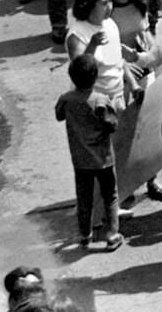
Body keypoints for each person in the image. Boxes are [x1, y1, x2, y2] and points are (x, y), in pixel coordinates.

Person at [56, 54, 123, 252]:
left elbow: (59, 115)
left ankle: (84, 234)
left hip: (80, 159)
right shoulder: (100, 100)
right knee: (110, 195)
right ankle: (112, 234)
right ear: (96, 77)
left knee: (84, 197)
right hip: (104, 158)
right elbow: (112, 125)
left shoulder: (66, 99)